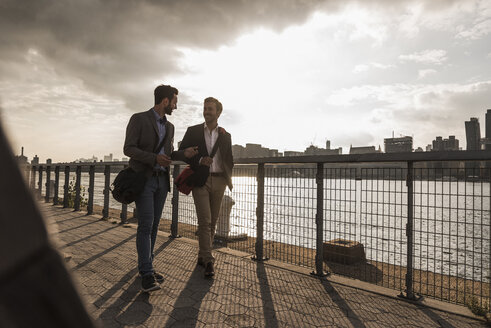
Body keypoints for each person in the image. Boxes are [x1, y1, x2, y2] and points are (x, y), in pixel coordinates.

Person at [124, 84, 198, 292]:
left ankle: (148, 265)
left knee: (155, 226)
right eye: (174, 101)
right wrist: (153, 158)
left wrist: (185, 155)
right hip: (145, 180)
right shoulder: (138, 119)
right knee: (146, 225)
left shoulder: (171, 127)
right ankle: (146, 274)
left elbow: (171, 154)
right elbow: (128, 148)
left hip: (161, 181)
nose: (176, 105)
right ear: (165, 101)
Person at [179, 97, 234, 277]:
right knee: (205, 221)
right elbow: (182, 153)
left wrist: (227, 178)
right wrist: (199, 160)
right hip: (201, 180)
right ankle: (209, 260)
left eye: (210, 109)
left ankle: (203, 255)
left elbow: (229, 160)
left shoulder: (225, 135)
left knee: (213, 221)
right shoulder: (193, 131)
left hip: (219, 181)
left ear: (218, 112)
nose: (207, 111)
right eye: (205, 108)